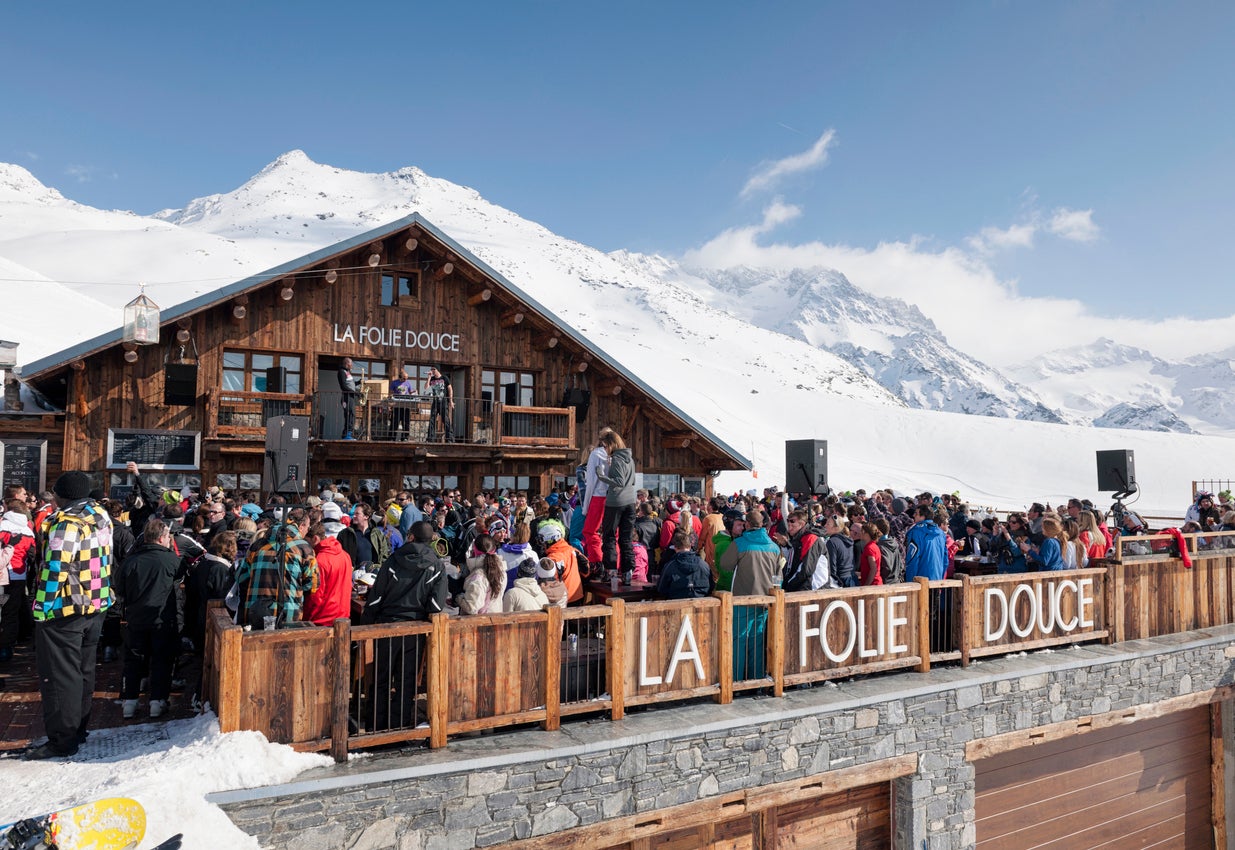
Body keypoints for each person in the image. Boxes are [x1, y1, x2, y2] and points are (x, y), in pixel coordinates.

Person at [26, 471, 114, 759]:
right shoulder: (99, 514)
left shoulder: (66, 522)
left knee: (60, 675)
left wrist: (41, 605)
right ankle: (77, 729)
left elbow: (55, 569)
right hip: (96, 601)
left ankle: (62, 740)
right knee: (84, 670)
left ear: (62, 495)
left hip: (66, 607)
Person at [363, 520, 449, 731]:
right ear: (431, 540)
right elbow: (437, 604)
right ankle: (399, 724)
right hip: (415, 628)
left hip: (388, 625)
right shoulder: (436, 565)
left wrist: (367, 620)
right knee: (406, 678)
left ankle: (377, 724)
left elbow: (376, 597)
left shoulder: (393, 560)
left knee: (382, 676)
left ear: (410, 537)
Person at [113, 518, 181, 720]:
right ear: (162, 538)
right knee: (161, 659)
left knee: (133, 659)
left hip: (136, 617)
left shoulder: (130, 561)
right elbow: (181, 577)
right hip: (161, 618)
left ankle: (130, 700)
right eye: (168, 537)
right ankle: (157, 701)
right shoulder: (171, 560)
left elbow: (120, 588)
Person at [234, 507, 318, 629]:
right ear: (301, 526)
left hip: (257, 611)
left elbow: (240, 577)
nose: (307, 532)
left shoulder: (257, 545)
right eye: (308, 528)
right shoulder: (304, 548)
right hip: (289, 615)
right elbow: (312, 585)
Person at [721, 508, 781, 681]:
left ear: (747, 524)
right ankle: (757, 681)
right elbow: (779, 578)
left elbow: (725, 565)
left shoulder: (740, 544)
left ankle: (736, 681)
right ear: (762, 525)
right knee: (758, 641)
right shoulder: (774, 547)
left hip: (742, 600)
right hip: (765, 602)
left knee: (739, 642)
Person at [596, 430, 636, 583]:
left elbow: (619, 482)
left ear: (612, 444)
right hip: (630, 502)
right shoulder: (630, 460)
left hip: (615, 502)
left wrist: (601, 476)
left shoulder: (617, 459)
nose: (605, 449)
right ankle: (628, 573)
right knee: (626, 539)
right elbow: (630, 482)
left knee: (609, 537)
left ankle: (611, 571)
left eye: (605, 446)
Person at [0, 499, 36, 663]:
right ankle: (7, 647)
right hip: (19, 575)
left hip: (2, 574)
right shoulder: (28, 531)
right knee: (11, 613)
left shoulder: (2, 528)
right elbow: (33, 554)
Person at [303, 521, 353, 627]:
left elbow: (315, 596)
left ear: (315, 539)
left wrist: (305, 617)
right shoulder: (345, 555)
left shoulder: (319, 561)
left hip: (322, 619)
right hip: (343, 616)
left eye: (306, 542)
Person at [775, 510, 831, 591]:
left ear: (801, 524)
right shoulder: (798, 539)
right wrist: (785, 545)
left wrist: (788, 587)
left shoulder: (810, 538)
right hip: (806, 587)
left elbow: (805, 570)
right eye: (788, 525)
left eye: (793, 526)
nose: (789, 529)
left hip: (814, 588)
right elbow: (793, 563)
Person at [580, 430, 611, 566]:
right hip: (615, 497)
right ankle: (614, 564)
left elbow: (591, 481)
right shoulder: (618, 454)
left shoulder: (596, 454)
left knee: (590, 531)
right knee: (612, 534)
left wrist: (585, 507)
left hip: (598, 496)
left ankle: (597, 563)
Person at [657, 528, 714, 599]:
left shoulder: (670, 566)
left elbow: (661, 589)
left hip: (676, 606)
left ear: (675, 547)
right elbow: (711, 586)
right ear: (690, 546)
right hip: (701, 606)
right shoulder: (704, 565)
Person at [538, 521, 583, 603]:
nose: (542, 545)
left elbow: (549, 584)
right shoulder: (572, 550)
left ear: (549, 540)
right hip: (577, 594)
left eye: (542, 541)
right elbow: (586, 568)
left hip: (564, 599)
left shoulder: (553, 558)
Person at [904, 504, 947, 581]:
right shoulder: (941, 533)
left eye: (916, 513)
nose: (913, 515)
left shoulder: (916, 532)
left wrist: (910, 582)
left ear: (923, 516)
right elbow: (945, 560)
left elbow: (912, 559)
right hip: (937, 579)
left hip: (920, 581)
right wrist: (940, 578)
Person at [424, 366, 454, 442]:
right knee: (432, 419)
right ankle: (430, 438)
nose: (432, 371)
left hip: (443, 402)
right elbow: (426, 387)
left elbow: (450, 389)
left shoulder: (444, 378)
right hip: (435, 402)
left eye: (434, 369)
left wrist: (451, 401)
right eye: (431, 369)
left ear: (438, 370)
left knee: (446, 420)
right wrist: (429, 378)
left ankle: (449, 438)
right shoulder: (432, 379)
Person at [389, 366, 415, 441]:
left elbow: (410, 392)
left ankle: (405, 437)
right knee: (394, 422)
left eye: (407, 378)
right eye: (404, 378)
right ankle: (392, 437)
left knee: (406, 422)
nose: (405, 380)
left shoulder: (408, 383)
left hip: (405, 405)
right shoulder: (394, 382)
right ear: (400, 377)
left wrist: (413, 391)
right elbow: (391, 392)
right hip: (397, 404)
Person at [338, 357, 358, 440]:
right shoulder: (342, 372)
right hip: (346, 397)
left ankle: (349, 433)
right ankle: (346, 435)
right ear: (347, 363)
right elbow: (344, 386)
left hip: (351, 397)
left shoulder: (348, 372)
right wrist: (355, 393)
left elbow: (351, 384)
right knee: (348, 415)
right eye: (351, 363)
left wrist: (359, 382)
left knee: (352, 415)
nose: (352, 365)